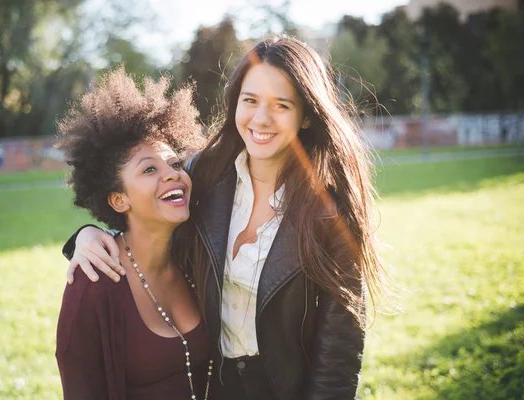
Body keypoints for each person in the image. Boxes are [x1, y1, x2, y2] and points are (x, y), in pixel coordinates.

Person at [63, 36, 386, 399]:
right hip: (211, 387)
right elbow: (145, 207)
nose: (260, 119)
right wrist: (88, 235)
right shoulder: (204, 175)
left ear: (307, 116)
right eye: (250, 100)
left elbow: (338, 355)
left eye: (281, 105)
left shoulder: (330, 215)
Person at [54, 67, 214, 399]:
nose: (171, 175)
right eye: (149, 169)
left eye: (174, 164)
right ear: (119, 199)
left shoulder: (196, 256)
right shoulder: (93, 280)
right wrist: (84, 236)